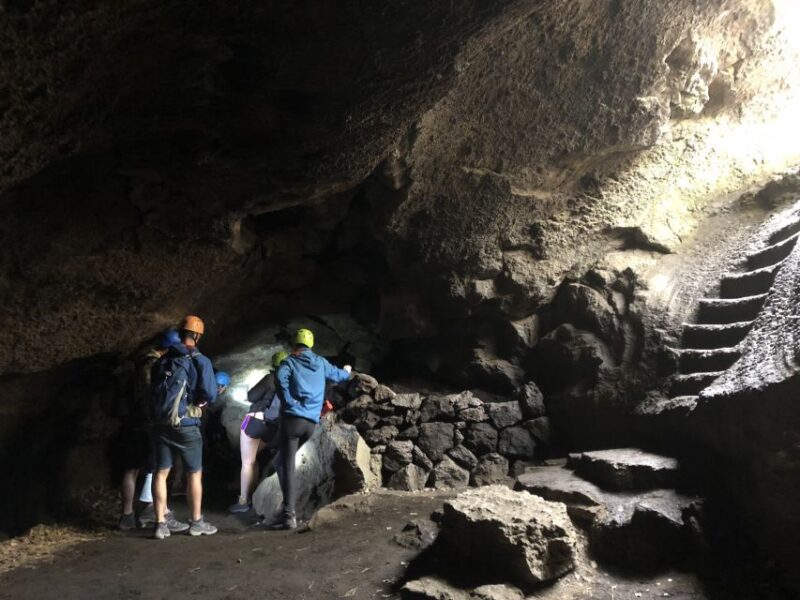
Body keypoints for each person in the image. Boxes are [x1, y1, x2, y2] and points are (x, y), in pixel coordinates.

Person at [275, 328, 352, 529]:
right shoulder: (320, 362)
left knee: (287, 465)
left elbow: (279, 379)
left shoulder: (289, 362)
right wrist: (348, 371)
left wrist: (288, 402)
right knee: (280, 462)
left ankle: (289, 514)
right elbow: (339, 375)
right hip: (310, 422)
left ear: (295, 345)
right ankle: (287, 508)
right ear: (311, 345)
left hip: (292, 420)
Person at [150, 315, 219, 539]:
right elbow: (210, 393)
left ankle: (160, 523)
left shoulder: (162, 360)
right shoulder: (199, 360)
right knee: (194, 473)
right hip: (186, 424)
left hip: (161, 424)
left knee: (160, 474)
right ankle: (196, 522)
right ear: (197, 335)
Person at [118, 328, 187, 532]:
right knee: (158, 469)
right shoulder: (155, 365)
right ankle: (158, 511)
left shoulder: (137, 362)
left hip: (130, 422)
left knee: (131, 469)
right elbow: (151, 396)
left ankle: (127, 515)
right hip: (149, 424)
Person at [229, 351, 288, 514]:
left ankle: (243, 500)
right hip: (273, 426)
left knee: (247, 462)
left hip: (254, 421)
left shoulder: (270, 379)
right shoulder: (290, 382)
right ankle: (253, 495)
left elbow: (251, 395)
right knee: (253, 460)